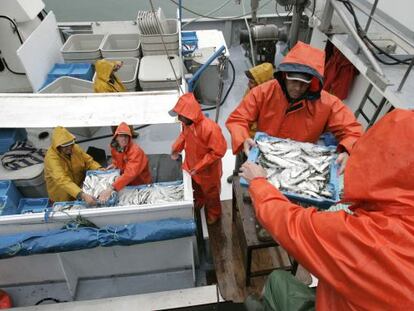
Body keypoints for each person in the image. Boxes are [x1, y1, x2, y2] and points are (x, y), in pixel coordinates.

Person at [240, 109, 414, 310]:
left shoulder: (364, 237)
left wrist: (259, 182)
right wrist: (241, 136)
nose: (297, 86)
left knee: (275, 281)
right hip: (346, 299)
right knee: (285, 279)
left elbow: (290, 224)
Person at [226, 41, 363, 175]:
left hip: (299, 164)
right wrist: (242, 138)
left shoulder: (329, 103)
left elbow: (353, 132)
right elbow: (238, 119)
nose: (297, 88)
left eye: (304, 83)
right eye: (294, 81)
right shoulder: (263, 92)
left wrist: (347, 150)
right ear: (285, 75)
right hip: (264, 155)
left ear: (313, 82)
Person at [170, 93, 227, 225]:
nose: (179, 118)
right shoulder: (187, 124)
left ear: (189, 115)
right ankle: (199, 201)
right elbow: (184, 136)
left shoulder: (210, 129)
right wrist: (175, 148)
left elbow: (219, 151)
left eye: (181, 115)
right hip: (191, 166)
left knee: (211, 194)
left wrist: (199, 166)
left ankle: (214, 214)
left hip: (208, 172)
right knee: (196, 189)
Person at [227, 62, 274, 183]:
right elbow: (242, 114)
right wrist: (243, 136)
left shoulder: (271, 98)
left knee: (252, 166)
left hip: (257, 141)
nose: (248, 83)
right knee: (240, 159)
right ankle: (236, 174)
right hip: (246, 136)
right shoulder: (251, 90)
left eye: (252, 81)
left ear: (262, 83)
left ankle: (248, 183)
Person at [44, 126, 101, 205]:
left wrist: (100, 169)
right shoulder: (51, 159)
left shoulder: (75, 148)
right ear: (58, 147)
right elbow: (62, 180)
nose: (70, 148)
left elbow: (89, 162)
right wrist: (82, 195)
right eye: (65, 146)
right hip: (62, 199)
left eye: (71, 144)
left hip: (80, 189)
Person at [98, 122, 152, 203]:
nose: (124, 138)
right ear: (116, 137)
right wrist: (114, 165)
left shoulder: (136, 151)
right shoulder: (115, 147)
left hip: (140, 183)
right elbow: (117, 160)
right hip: (125, 183)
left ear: (130, 137)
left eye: (126, 136)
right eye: (121, 135)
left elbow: (130, 173)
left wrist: (111, 188)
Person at [94, 59, 137, 137]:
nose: (113, 70)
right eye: (111, 69)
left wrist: (119, 64)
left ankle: (131, 132)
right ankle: (118, 138)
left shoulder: (108, 75)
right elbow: (107, 103)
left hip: (122, 103)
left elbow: (115, 64)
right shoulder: (101, 86)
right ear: (106, 70)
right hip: (113, 109)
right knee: (117, 125)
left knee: (128, 119)